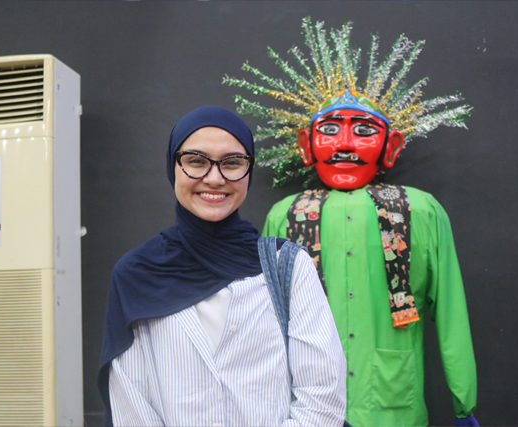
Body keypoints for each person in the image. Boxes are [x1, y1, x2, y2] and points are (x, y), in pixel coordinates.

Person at [224, 19, 479, 427]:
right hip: (307, 407)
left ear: (390, 146)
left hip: (391, 404)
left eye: (363, 131)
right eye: (329, 130)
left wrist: (464, 399)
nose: (344, 145)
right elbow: (265, 320)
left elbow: (450, 309)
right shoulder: (285, 216)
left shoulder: (420, 210)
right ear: (307, 145)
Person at [97, 105, 346, 427]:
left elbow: (322, 397)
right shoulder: (136, 274)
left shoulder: (287, 265)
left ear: (249, 171)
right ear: (174, 166)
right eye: (196, 161)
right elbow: (131, 406)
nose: (214, 178)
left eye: (232, 163)